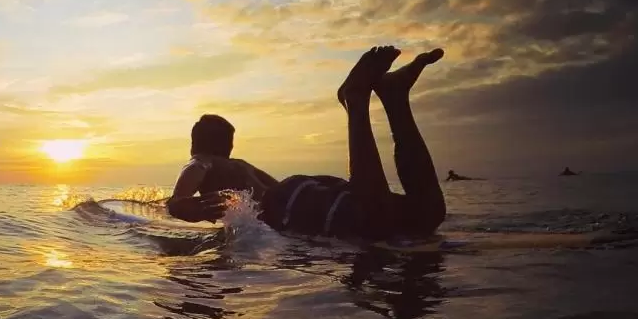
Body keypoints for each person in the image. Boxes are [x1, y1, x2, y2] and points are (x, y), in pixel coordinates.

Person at [166, 45, 447, 240]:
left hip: (293, 203)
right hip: (305, 190)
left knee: (375, 218)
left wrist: (179, 203)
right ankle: (394, 98)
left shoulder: (203, 161)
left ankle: (355, 98)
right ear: (229, 144)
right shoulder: (238, 165)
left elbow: (191, 175)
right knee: (425, 214)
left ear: (195, 143)